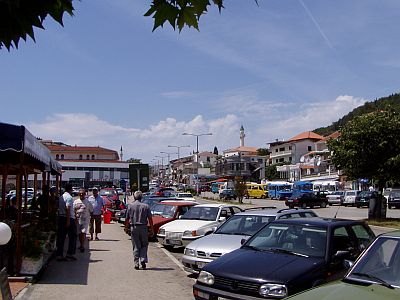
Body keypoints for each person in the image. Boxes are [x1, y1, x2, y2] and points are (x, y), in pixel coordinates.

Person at [125, 191, 154, 270]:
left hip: (134, 227)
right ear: (141, 198)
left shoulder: (130, 206)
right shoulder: (146, 206)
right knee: (144, 245)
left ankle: (136, 263)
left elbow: (127, 219)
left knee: (136, 245)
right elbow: (150, 219)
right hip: (143, 227)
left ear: (134, 197)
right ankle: (143, 260)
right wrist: (151, 229)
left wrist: (126, 227)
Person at [56, 183, 78, 261]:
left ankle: (59, 254)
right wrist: (68, 221)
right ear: (70, 189)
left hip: (61, 217)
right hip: (68, 218)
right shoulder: (69, 197)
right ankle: (70, 253)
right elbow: (68, 209)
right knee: (73, 236)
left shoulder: (61, 197)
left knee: (61, 237)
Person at [74, 188, 93, 252]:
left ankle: (82, 246)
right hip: (78, 220)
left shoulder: (88, 202)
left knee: (83, 232)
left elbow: (91, 211)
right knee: (79, 233)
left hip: (85, 220)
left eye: (83, 193)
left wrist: (91, 220)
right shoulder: (76, 201)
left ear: (85, 194)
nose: (81, 194)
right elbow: (73, 210)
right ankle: (81, 244)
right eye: (80, 193)